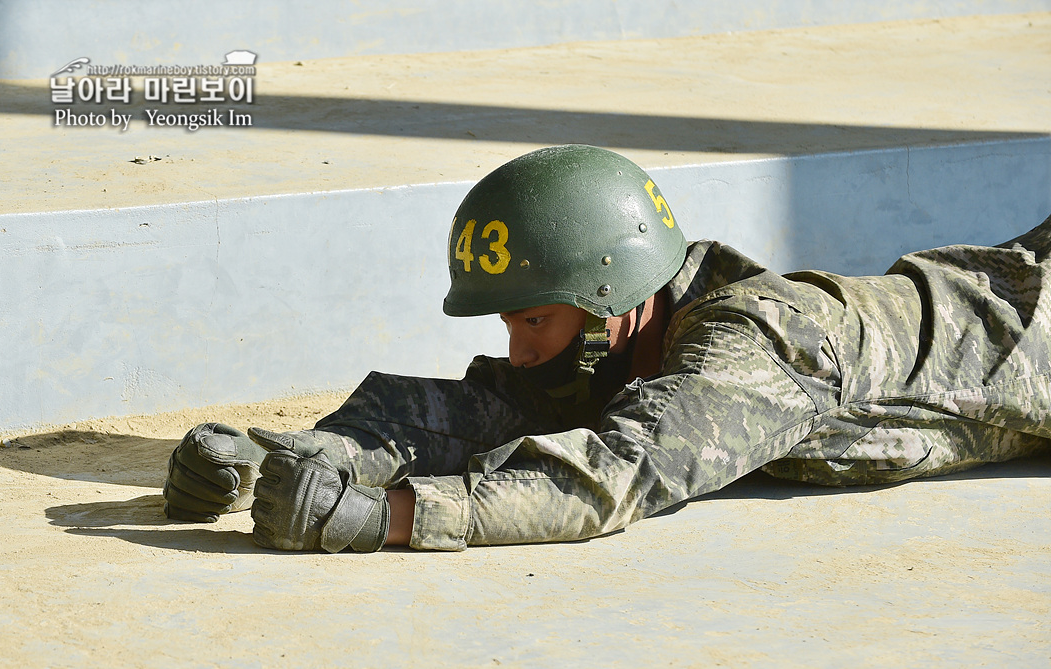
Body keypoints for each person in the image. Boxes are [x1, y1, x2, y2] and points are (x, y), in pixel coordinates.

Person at [162, 144, 1051, 553]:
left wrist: (382, 517)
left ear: (608, 301)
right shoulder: (623, 342)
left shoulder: (754, 341)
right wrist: (280, 457)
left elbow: (617, 472)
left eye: (531, 320)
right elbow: (472, 411)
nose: (516, 349)